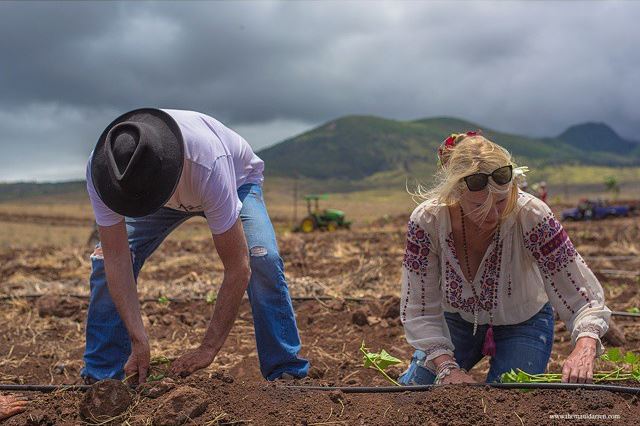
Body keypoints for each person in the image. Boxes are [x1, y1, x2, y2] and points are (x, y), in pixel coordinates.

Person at [82, 108, 309, 384]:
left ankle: (285, 370)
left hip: (234, 182)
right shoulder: (105, 171)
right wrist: (137, 338)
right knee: (102, 259)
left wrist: (208, 349)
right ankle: (102, 379)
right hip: (151, 192)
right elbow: (116, 258)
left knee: (262, 257)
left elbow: (238, 268)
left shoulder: (207, 163)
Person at [398, 132, 610, 385]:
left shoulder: (532, 215)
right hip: (456, 321)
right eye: (479, 206)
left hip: (524, 321)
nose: (493, 215)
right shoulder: (428, 222)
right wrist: (446, 367)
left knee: (511, 399)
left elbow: (581, 295)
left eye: (501, 201)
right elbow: (419, 309)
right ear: (455, 193)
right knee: (415, 390)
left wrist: (584, 346)